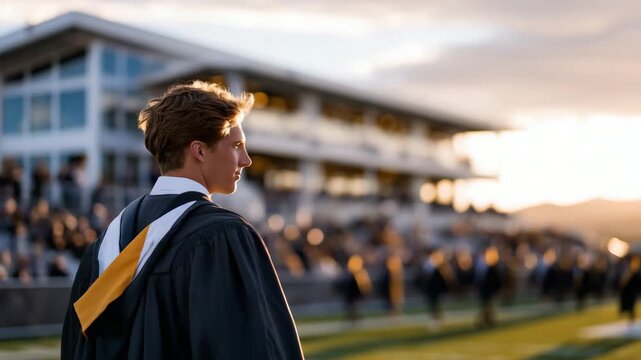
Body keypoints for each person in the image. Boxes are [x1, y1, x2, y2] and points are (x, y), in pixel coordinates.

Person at [61, 81, 304, 359]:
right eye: (237, 145)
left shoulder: (104, 246)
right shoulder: (223, 237)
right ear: (199, 151)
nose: (246, 160)